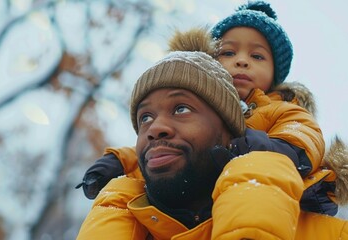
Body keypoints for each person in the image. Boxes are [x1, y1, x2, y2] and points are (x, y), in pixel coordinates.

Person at [77, 0, 345, 214]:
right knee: (122, 197)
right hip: (195, 198)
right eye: (228, 52)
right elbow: (168, 144)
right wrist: (119, 161)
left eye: (257, 56)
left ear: (275, 73)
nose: (241, 61)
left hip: (259, 189)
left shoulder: (283, 109)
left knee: (251, 176)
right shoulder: (198, 109)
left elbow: (301, 137)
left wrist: (259, 146)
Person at [76, 48, 348, 239]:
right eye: (145, 117)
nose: (154, 128)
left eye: (181, 109)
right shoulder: (114, 221)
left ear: (230, 132)